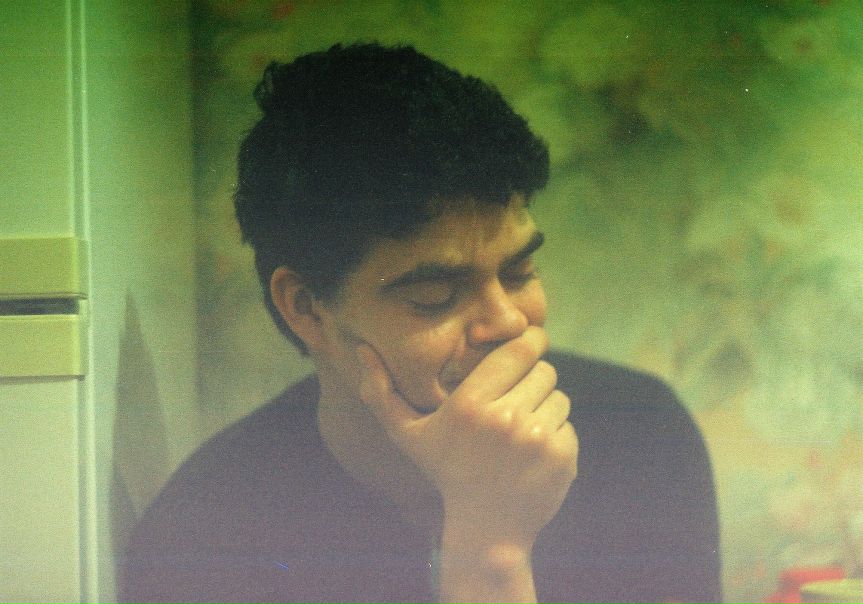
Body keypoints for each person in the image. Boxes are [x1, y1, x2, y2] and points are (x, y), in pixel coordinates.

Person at [119, 42, 722, 604]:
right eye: (436, 295)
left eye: (518, 271)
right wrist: (492, 552)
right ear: (307, 308)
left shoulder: (642, 435)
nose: (508, 322)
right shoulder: (204, 533)